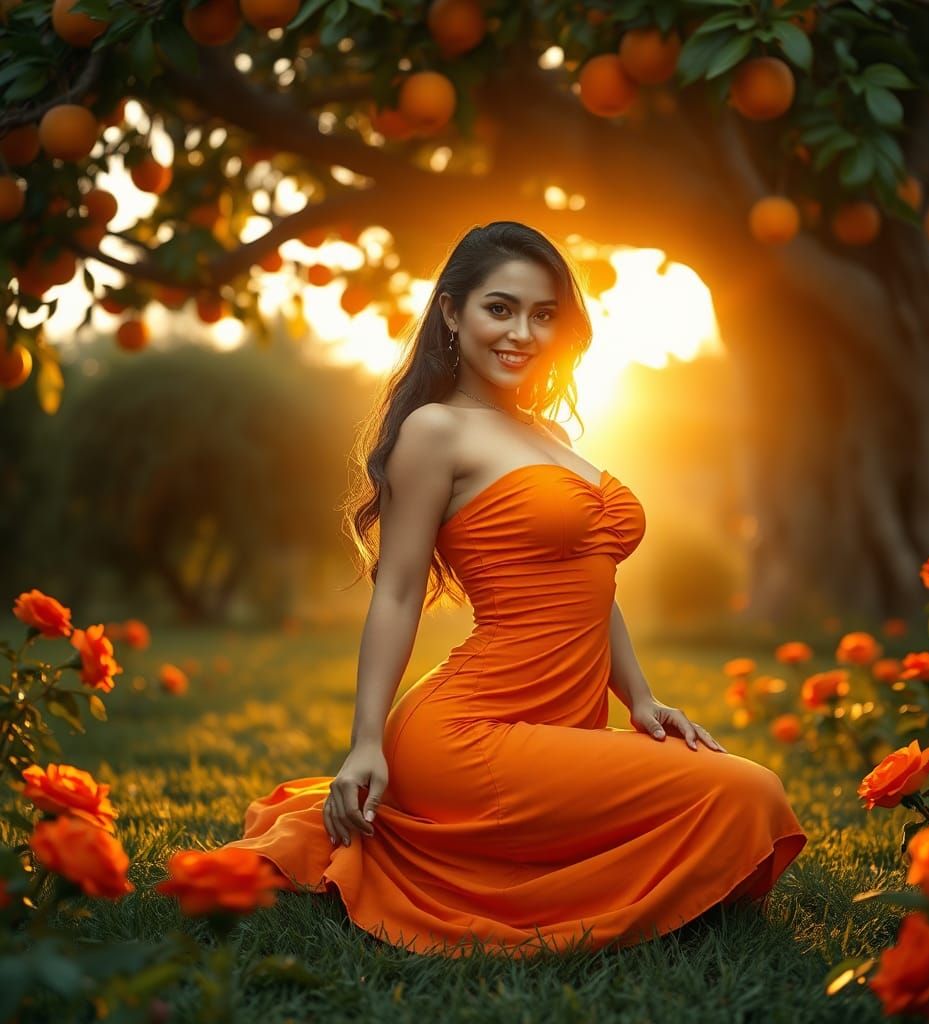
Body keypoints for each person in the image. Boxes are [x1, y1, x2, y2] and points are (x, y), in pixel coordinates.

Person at [219, 221, 808, 958]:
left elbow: (594, 585)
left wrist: (643, 700)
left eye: (544, 314)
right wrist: (364, 743)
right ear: (452, 313)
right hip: (468, 733)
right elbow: (398, 592)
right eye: (500, 308)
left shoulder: (551, 436)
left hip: (563, 723)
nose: (522, 332)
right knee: (748, 794)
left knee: (728, 789)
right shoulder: (436, 431)